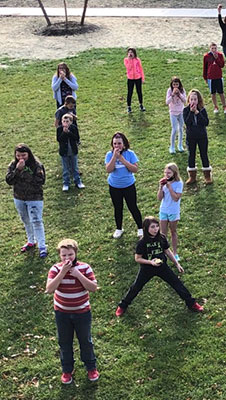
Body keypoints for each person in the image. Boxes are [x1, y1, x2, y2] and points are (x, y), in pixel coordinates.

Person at [115, 216, 204, 317]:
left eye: (157, 226)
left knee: (177, 283)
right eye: (152, 227)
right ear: (146, 229)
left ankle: (192, 303)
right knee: (136, 287)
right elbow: (137, 258)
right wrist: (150, 262)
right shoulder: (142, 242)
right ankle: (123, 306)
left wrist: (177, 264)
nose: (155, 229)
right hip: (147, 269)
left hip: (162, 267)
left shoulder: (161, 237)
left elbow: (167, 251)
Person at [46, 239, 99, 384]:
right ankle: (67, 370)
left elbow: (93, 288)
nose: (67, 258)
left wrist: (77, 275)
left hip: (82, 312)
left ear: (75, 253)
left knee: (86, 341)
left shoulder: (84, 268)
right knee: (64, 342)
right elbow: (50, 289)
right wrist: (62, 273)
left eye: (70, 254)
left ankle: (91, 367)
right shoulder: (55, 269)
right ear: (59, 256)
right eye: (63, 255)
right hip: (62, 313)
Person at [6, 143, 47, 257]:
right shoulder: (13, 165)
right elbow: (9, 180)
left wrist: (24, 173)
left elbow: (40, 181)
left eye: (23, 155)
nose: (21, 158)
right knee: (25, 219)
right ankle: (31, 241)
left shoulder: (36, 165)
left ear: (29, 154)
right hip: (19, 197)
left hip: (34, 198)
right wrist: (17, 171)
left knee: (37, 221)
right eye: (18, 155)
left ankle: (42, 246)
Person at [105, 132, 143, 239]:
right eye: (115, 144)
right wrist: (114, 157)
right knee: (118, 207)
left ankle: (140, 228)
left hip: (128, 186)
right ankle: (119, 228)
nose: (117, 146)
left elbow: (135, 169)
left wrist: (122, 159)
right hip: (114, 186)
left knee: (132, 206)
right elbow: (109, 169)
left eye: (119, 143)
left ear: (124, 144)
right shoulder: (109, 155)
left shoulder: (130, 154)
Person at [183, 89, 212, 185]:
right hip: (191, 137)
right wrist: (191, 112)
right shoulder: (186, 110)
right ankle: (192, 176)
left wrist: (197, 113)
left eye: (195, 99)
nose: (193, 101)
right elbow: (187, 122)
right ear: (189, 100)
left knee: (204, 154)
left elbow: (205, 122)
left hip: (202, 136)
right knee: (191, 155)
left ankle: (207, 176)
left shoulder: (202, 110)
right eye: (191, 99)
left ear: (198, 100)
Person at [157, 163, 183, 261]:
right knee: (163, 233)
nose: (167, 175)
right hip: (164, 210)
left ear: (174, 173)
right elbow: (159, 198)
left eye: (169, 173)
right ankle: (164, 252)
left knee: (173, 231)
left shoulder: (179, 183)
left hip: (173, 211)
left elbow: (176, 198)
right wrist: (161, 187)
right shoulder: (164, 183)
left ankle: (175, 253)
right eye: (165, 173)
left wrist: (170, 188)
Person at [57, 114, 85, 191]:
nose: (65, 123)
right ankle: (66, 183)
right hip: (64, 152)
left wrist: (68, 132)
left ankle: (78, 181)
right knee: (65, 169)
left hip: (73, 151)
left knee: (75, 168)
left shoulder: (74, 128)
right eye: (64, 121)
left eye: (67, 121)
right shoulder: (59, 129)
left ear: (71, 122)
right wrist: (64, 133)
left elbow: (76, 138)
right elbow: (59, 139)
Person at [203, 42, 226, 113]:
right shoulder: (206, 56)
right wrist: (205, 77)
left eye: (215, 48)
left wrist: (217, 59)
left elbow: (222, 65)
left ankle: (224, 106)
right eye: (212, 48)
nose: (214, 50)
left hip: (218, 76)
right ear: (210, 49)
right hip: (210, 77)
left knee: (221, 92)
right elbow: (205, 67)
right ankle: (215, 106)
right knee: (213, 93)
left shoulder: (220, 55)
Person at [166, 76, 186, 153]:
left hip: (181, 111)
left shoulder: (182, 90)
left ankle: (180, 145)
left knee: (181, 128)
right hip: (173, 112)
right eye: (174, 84)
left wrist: (179, 94)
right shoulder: (169, 91)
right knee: (174, 129)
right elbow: (167, 102)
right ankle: (172, 146)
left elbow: (184, 100)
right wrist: (173, 95)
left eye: (177, 84)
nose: (175, 86)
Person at [124, 48, 146, 113]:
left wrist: (142, 78)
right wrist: (130, 60)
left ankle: (141, 104)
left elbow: (141, 69)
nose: (130, 54)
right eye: (129, 52)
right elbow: (128, 67)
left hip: (138, 78)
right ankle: (129, 106)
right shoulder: (126, 60)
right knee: (130, 92)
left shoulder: (137, 60)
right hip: (130, 78)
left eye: (132, 52)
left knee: (139, 92)